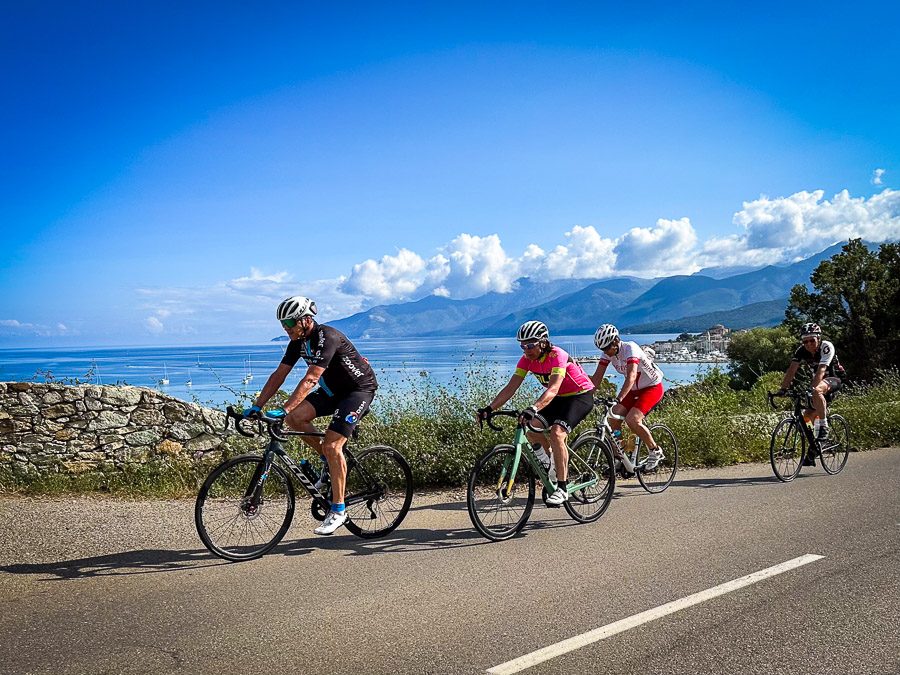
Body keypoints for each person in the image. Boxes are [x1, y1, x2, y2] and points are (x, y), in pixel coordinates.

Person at [246, 295, 378, 535]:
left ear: (306, 320)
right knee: (295, 419)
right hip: (333, 392)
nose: (286, 329)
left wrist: (285, 406)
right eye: (282, 325)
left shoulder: (327, 337)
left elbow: (311, 378)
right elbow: (279, 375)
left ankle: (339, 510)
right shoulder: (297, 342)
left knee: (332, 445)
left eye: (288, 324)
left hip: (358, 391)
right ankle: (330, 462)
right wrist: (258, 405)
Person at [476, 320, 595, 506]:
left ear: (543, 342)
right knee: (530, 429)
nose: (526, 349)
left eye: (530, 344)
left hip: (580, 396)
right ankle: (550, 464)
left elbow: (554, 388)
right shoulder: (526, 360)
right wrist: (490, 408)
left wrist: (534, 407)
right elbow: (511, 388)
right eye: (522, 345)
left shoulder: (557, 355)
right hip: (558, 398)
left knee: (557, 433)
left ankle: (562, 488)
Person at [590, 324, 666, 470]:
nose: (605, 352)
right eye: (602, 349)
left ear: (615, 341)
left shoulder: (630, 348)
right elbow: (597, 377)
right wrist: (587, 396)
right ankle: (621, 455)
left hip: (652, 387)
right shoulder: (608, 353)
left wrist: (618, 398)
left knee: (632, 420)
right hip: (633, 390)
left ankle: (655, 450)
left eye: (607, 348)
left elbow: (631, 377)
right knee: (613, 417)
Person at [777, 322, 845, 462]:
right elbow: (791, 370)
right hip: (818, 380)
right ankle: (815, 445)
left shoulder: (826, 347)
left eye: (811, 340)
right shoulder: (801, 351)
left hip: (833, 378)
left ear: (818, 338)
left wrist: (812, 390)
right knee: (807, 416)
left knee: (816, 391)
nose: (808, 344)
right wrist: (782, 390)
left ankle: (824, 427)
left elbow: (821, 370)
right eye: (805, 341)